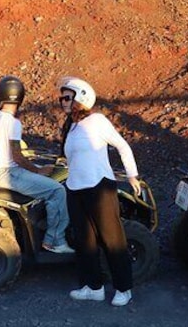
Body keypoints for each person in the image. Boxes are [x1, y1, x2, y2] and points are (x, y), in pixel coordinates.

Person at [59, 77, 141, 307]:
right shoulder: (71, 126)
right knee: (85, 241)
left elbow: (122, 146)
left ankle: (124, 288)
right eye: (61, 97)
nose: (62, 101)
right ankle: (93, 287)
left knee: (112, 239)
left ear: (81, 96)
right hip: (75, 188)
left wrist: (132, 174)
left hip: (99, 187)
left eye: (67, 96)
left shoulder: (97, 120)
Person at [0, 76, 73, 254]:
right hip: (9, 173)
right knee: (57, 190)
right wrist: (38, 170)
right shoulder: (13, 123)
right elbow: (17, 156)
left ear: (0, 96)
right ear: (20, 97)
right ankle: (54, 240)